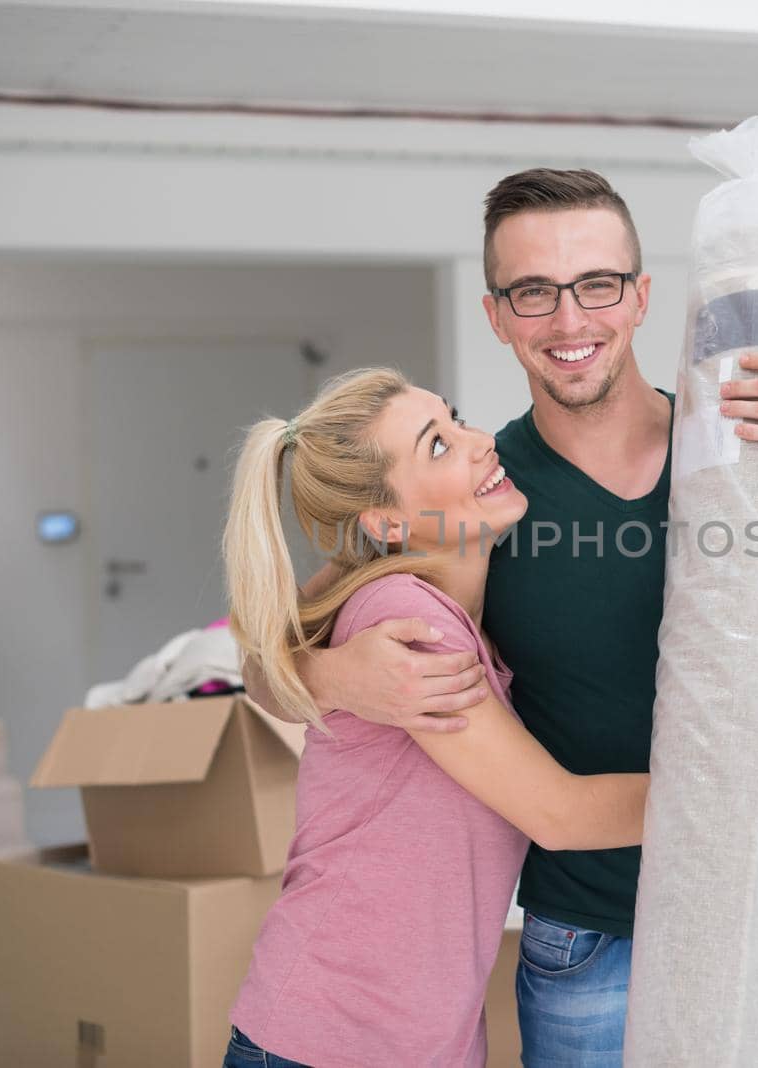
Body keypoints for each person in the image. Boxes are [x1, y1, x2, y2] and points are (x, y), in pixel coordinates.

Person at [274, 169, 758, 1066]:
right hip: (589, 950)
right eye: (533, 292)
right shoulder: (479, 501)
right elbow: (278, 636)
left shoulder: (745, 461)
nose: (570, 322)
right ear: (496, 314)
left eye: (597, 284)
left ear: (641, 299)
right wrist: (330, 672)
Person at [220, 367, 651, 1068]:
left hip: (415, 1044)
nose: (480, 442)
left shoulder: (459, 581)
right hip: (329, 1041)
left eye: (454, 420)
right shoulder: (407, 619)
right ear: (387, 522)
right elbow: (560, 815)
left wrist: (319, 672)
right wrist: (743, 792)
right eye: (439, 446)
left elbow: (277, 651)